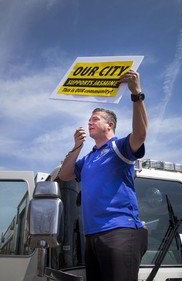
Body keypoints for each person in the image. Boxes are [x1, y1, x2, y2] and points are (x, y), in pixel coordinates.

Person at [59, 69, 148, 281]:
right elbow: (64, 175)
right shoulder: (88, 158)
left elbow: (141, 134)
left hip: (120, 231)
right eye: (89, 120)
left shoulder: (119, 147)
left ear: (110, 125)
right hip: (92, 236)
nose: (89, 122)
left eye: (95, 119)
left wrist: (136, 94)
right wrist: (77, 146)